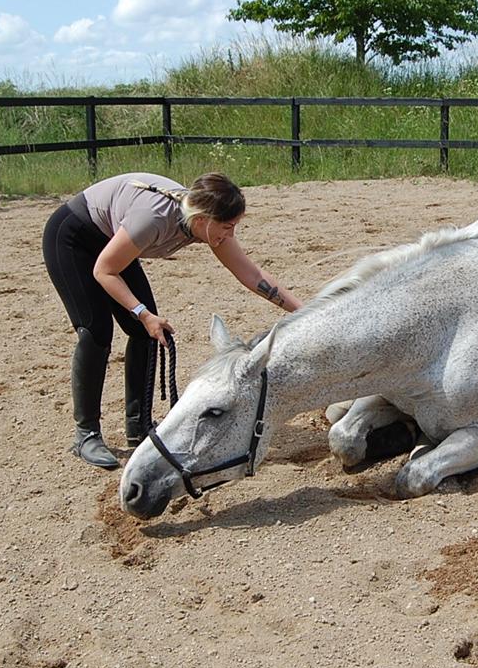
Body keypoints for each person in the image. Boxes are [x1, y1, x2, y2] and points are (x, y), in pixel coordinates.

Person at [42, 171, 302, 469]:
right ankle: (86, 433)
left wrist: (305, 311)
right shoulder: (152, 220)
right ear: (204, 219)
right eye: (228, 226)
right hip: (73, 238)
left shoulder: (204, 223)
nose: (230, 235)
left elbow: (253, 276)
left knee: (146, 333)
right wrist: (143, 313)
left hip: (116, 242)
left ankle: (138, 427)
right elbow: (104, 271)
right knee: (96, 330)